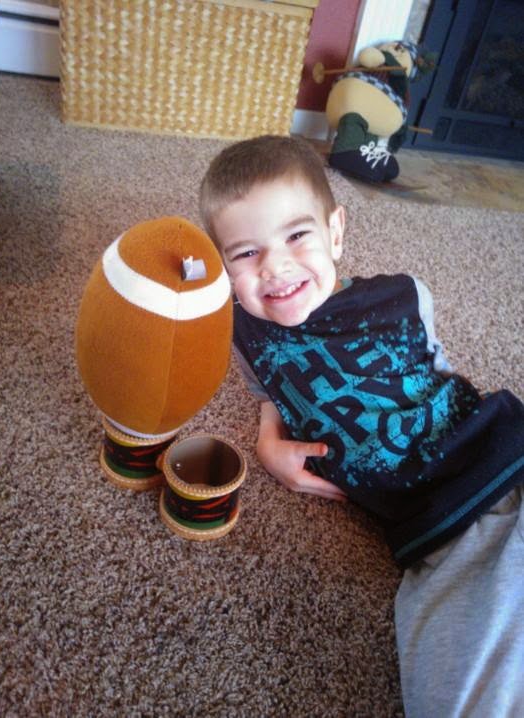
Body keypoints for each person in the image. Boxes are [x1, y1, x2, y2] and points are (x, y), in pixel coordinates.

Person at [199, 134, 524, 717]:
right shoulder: (242, 329)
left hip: (504, 451)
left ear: (336, 232)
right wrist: (267, 437)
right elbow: (265, 384)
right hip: (442, 533)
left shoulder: (405, 296)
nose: (274, 267)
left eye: (297, 235)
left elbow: (440, 370)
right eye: (245, 253)